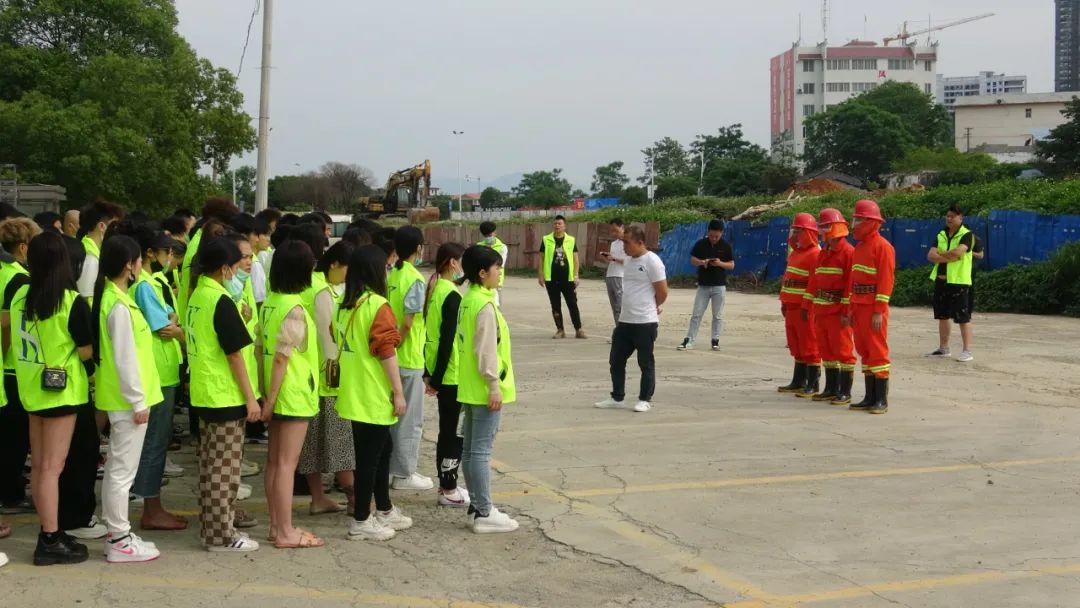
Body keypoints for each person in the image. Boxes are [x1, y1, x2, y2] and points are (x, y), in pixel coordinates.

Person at [11, 232, 96, 565]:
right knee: (51, 468)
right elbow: (86, 351)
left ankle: (51, 531)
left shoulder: (20, 295)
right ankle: (49, 538)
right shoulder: (71, 301)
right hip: (62, 393)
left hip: (31, 390)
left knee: (41, 466)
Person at [183, 237, 262, 552]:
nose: (241, 269)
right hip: (224, 395)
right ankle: (221, 536)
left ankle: (212, 529)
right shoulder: (220, 300)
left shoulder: (198, 295)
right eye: (237, 264)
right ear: (225, 268)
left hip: (205, 393)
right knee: (224, 472)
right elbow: (235, 355)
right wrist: (251, 398)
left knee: (210, 467)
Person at [92, 235, 164, 563]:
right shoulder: (117, 305)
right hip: (127, 401)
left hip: (124, 399)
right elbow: (124, 359)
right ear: (128, 266)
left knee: (120, 471)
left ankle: (119, 533)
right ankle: (119, 538)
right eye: (137, 260)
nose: (140, 265)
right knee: (122, 472)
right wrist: (138, 402)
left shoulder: (115, 298)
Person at [336, 245, 411, 541]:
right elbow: (386, 350)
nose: (388, 270)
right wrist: (398, 391)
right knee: (369, 459)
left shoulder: (346, 304)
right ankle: (361, 520)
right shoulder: (377, 304)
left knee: (381, 451)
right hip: (372, 392)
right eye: (385, 266)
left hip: (353, 391)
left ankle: (383, 508)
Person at [259, 240, 325, 549]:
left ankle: (276, 526)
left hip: (277, 391)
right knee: (287, 464)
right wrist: (271, 400)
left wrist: (265, 395)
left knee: (275, 463)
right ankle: (285, 531)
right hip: (292, 393)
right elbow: (282, 358)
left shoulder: (271, 301)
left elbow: (263, 350)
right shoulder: (294, 309)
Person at [457, 245, 518, 533]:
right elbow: (486, 351)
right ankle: (483, 511)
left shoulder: (469, 299)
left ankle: (476, 507)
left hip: (470, 385)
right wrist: (494, 385)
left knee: (470, 451)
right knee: (480, 451)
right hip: (483, 388)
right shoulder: (484, 304)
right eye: (497, 268)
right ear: (482, 273)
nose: (500, 273)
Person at [129, 231, 187, 531]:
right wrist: (178, 328)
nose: (172, 260)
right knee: (154, 443)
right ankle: (151, 508)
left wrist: (175, 323)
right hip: (156, 372)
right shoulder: (144, 286)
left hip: (164, 370)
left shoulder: (154, 283)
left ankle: (153, 504)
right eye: (169, 253)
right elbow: (164, 326)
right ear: (151, 253)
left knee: (157, 441)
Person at [299, 239, 357, 516]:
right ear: (334, 264)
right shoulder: (322, 291)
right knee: (342, 441)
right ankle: (353, 498)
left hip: (308, 376)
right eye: (348, 268)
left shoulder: (308, 283)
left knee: (311, 442)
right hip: (328, 377)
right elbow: (328, 338)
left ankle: (317, 498)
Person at [594, 225, 667, 413]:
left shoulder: (653, 261)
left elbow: (662, 291)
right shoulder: (628, 261)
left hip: (645, 322)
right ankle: (617, 397)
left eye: (627, 242)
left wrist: (654, 306)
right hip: (625, 321)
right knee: (616, 360)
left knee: (645, 362)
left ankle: (644, 399)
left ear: (640, 242)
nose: (624, 246)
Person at [386, 226, 433, 491]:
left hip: (390, 358)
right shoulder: (414, 278)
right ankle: (404, 473)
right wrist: (398, 343)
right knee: (410, 420)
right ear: (418, 248)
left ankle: (396, 468)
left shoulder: (392, 273)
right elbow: (407, 321)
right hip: (407, 356)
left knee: (393, 418)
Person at [424, 242, 470, 507]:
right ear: (453, 262)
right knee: (454, 433)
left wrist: (429, 373)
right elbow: (446, 339)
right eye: (460, 260)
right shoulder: (451, 296)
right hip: (451, 374)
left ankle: (446, 483)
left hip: (440, 370)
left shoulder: (437, 289)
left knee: (447, 431)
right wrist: (438, 377)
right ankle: (449, 487)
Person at [0, 218, 41, 516]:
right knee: (14, 437)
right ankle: (11, 495)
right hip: (13, 367)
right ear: (23, 248)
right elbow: (6, 324)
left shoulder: (5, 272)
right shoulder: (19, 279)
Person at [846, 200, 895, 415]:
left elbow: (886, 281)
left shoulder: (883, 247)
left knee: (877, 350)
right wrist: (849, 308)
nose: (854, 223)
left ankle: (881, 400)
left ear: (870, 222)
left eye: (858, 219)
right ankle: (869, 397)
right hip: (858, 305)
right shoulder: (860, 247)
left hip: (873, 307)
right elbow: (853, 280)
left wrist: (879, 310)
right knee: (864, 350)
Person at [804, 209, 856, 405]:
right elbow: (814, 281)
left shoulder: (848, 253)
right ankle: (831, 389)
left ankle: (845, 391)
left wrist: (846, 312)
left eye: (825, 227)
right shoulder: (824, 252)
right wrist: (807, 304)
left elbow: (849, 286)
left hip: (836, 312)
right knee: (826, 351)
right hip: (821, 310)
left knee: (843, 351)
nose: (822, 231)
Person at [776, 213, 823, 397]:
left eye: (799, 231)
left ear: (809, 233)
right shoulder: (796, 253)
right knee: (795, 343)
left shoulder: (815, 254)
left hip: (805, 307)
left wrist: (806, 305)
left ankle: (813, 382)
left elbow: (813, 283)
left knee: (809, 343)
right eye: (794, 231)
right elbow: (787, 278)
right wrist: (784, 301)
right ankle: (798, 380)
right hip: (791, 305)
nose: (795, 235)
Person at [927, 205, 976, 362]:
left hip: (959, 281)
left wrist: (940, 255)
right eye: (947, 216)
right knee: (942, 315)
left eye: (952, 216)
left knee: (963, 317)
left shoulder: (966, 235)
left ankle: (967, 351)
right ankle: (944, 348)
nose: (949, 219)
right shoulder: (941, 234)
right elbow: (930, 255)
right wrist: (946, 256)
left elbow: (958, 253)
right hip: (941, 281)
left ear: (960, 218)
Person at [678, 219, 734, 351]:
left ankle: (715, 340)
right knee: (696, 314)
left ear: (721, 233)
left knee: (717, 315)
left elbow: (732, 265)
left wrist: (719, 263)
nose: (713, 238)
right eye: (711, 235)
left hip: (719, 286)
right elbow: (693, 260)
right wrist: (702, 262)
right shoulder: (700, 244)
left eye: (716, 236)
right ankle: (689, 339)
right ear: (707, 232)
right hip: (703, 285)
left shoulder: (726, 246)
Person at [537, 216, 585, 339]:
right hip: (551, 278)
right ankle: (560, 330)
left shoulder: (571, 240)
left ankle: (578, 329)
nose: (557, 226)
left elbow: (575, 259)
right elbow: (541, 258)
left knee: (572, 303)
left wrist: (576, 275)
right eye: (555, 224)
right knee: (555, 305)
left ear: (565, 226)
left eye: (559, 223)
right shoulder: (546, 239)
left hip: (567, 278)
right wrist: (541, 274)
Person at [76, 200, 125, 301]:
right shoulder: (90, 258)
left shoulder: (94, 252)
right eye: (114, 226)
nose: (117, 231)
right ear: (102, 226)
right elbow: (86, 300)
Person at [599, 219, 626, 334]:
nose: (614, 233)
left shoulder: (628, 243)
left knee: (620, 306)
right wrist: (607, 258)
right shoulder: (614, 244)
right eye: (612, 231)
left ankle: (623, 332)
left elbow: (628, 261)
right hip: (610, 275)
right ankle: (619, 331)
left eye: (616, 230)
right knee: (614, 305)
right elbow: (612, 260)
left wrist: (614, 258)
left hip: (620, 276)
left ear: (622, 228)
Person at [477, 221, 508, 306]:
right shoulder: (478, 246)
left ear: (495, 232)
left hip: (496, 281)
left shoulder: (502, 247)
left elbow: (500, 264)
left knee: (497, 307)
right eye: (486, 236)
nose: (488, 238)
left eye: (490, 235)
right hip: (482, 282)